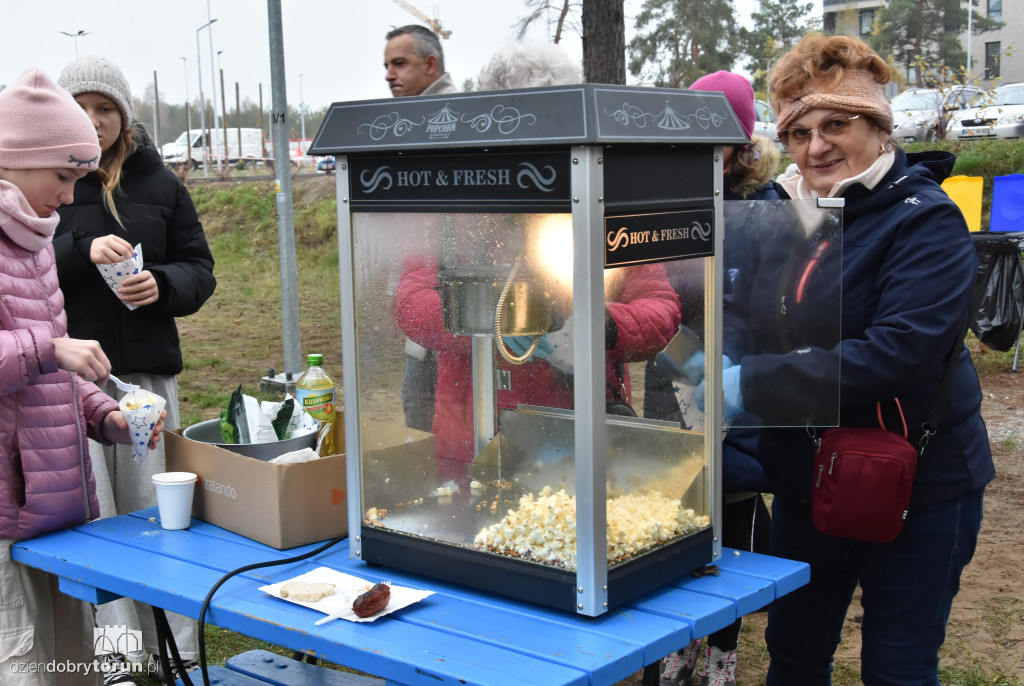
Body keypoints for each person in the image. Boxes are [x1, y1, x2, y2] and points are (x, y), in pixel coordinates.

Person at [727, 34, 993, 685]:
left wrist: (750, 381)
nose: (816, 146)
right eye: (798, 132)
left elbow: (899, 352)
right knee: (792, 652)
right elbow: (737, 309)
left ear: (878, 127)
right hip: (807, 478)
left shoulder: (924, 220)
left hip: (918, 483)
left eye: (836, 125)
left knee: (898, 666)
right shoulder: (780, 215)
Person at [0, 66, 166, 686]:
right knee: (19, 665)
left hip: (53, 500)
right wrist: (50, 346)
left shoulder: (35, 239)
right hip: (4, 510)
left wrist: (107, 416)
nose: (70, 197)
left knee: (71, 664)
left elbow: (49, 375)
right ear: (14, 160)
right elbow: (46, 353)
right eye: (64, 176)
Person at [54, 55, 216, 684]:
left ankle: (179, 646)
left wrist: (165, 284)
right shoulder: (47, 181)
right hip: (75, 379)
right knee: (98, 516)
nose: (94, 122)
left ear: (124, 115)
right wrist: (79, 249)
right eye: (82, 108)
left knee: (159, 507)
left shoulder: (160, 183)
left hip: (147, 376)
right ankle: (121, 654)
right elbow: (24, 263)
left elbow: (200, 268)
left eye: (106, 109)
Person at [653, 71, 778, 686]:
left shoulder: (766, 212)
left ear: (739, 146)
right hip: (670, 386)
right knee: (668, 512)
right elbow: (650, 299)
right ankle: (676, 645)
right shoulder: (660, 205)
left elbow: (772, 314)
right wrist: (680, 357)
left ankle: (723, 653)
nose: (697, 150)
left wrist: (724, 374)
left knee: (732, 515)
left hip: (736, 394)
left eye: (714, 137)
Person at [384, 25, 459, 433]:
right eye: (386, 66)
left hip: (447, 301)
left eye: (400, 64)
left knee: (428, 416)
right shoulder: (411, 122)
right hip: (424, 297)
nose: (389, 75)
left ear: (431, 65)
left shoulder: (448, 124)